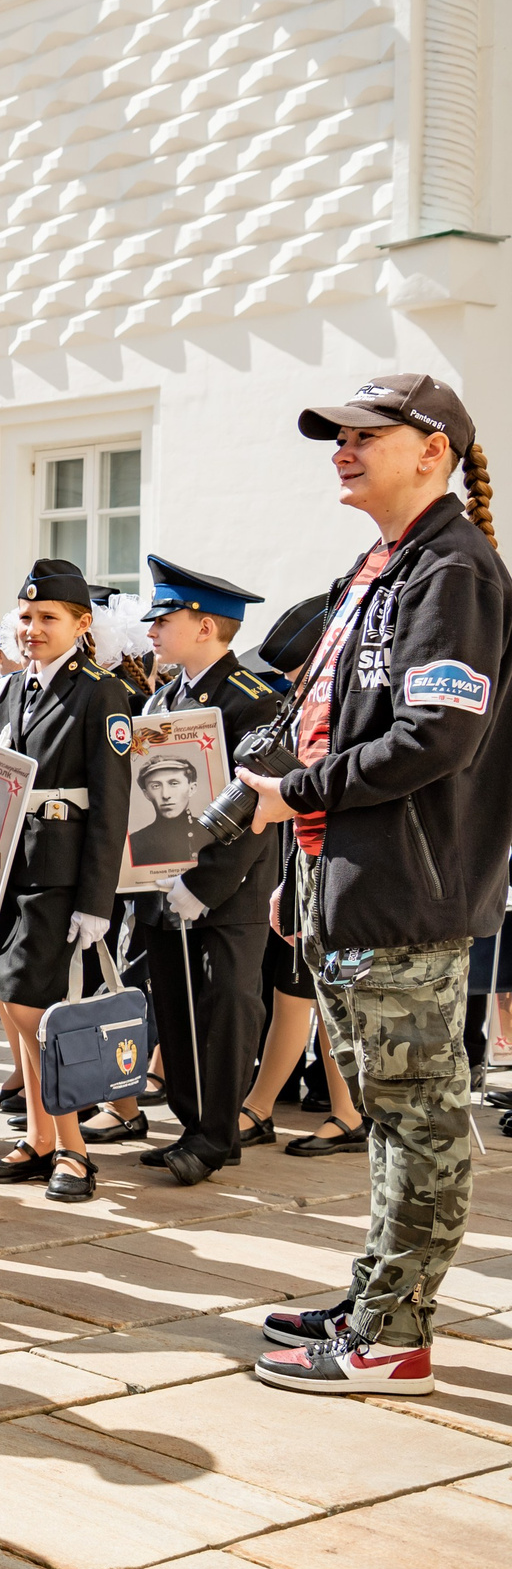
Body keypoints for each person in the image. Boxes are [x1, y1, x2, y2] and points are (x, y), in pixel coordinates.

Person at [245, 373, 510, 1396]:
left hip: (407, 886)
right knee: (391, 1111)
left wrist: (296, 798)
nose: (342, 450)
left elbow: (434, 738)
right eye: (337, 437)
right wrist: (303, 861)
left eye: (366, 435)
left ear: (432, 451)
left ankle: (394, 1339)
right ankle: (373, 1300)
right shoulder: (385, 566)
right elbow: (325, 722)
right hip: (351, 875)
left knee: (419, 1118)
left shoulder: (454, 570)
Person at [85, 559, 279, 1184]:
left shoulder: (254, 701)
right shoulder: (164, 698)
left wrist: (204, 884)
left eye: (163, 621)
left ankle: (215, 1136)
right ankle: (194, 1127)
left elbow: (257, 811)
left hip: (226, 892)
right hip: (163, 884)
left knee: (224, 1012)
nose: (152, 632)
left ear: (203, 626)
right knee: (175, 1008)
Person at [0, 559, 133, 1203]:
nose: (32, 628)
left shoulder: (100, 692)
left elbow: (112, 803)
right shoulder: (10, 688)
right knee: (14, 1009)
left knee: (39, 1013)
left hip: (58, 873)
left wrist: (96, 900)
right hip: (4, 868)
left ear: (81, 624)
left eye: (48, 618)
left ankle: (73, 1150)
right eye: (26, 616)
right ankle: (40, 1138)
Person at [234, 593, 364, 1155]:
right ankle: (265, 1106)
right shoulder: (308, 711)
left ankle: (346, 1112)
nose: (291, 685)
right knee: (296, 991)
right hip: (306, 866)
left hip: (342, 869)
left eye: (296, 674)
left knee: (329, 994)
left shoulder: (346, 711)